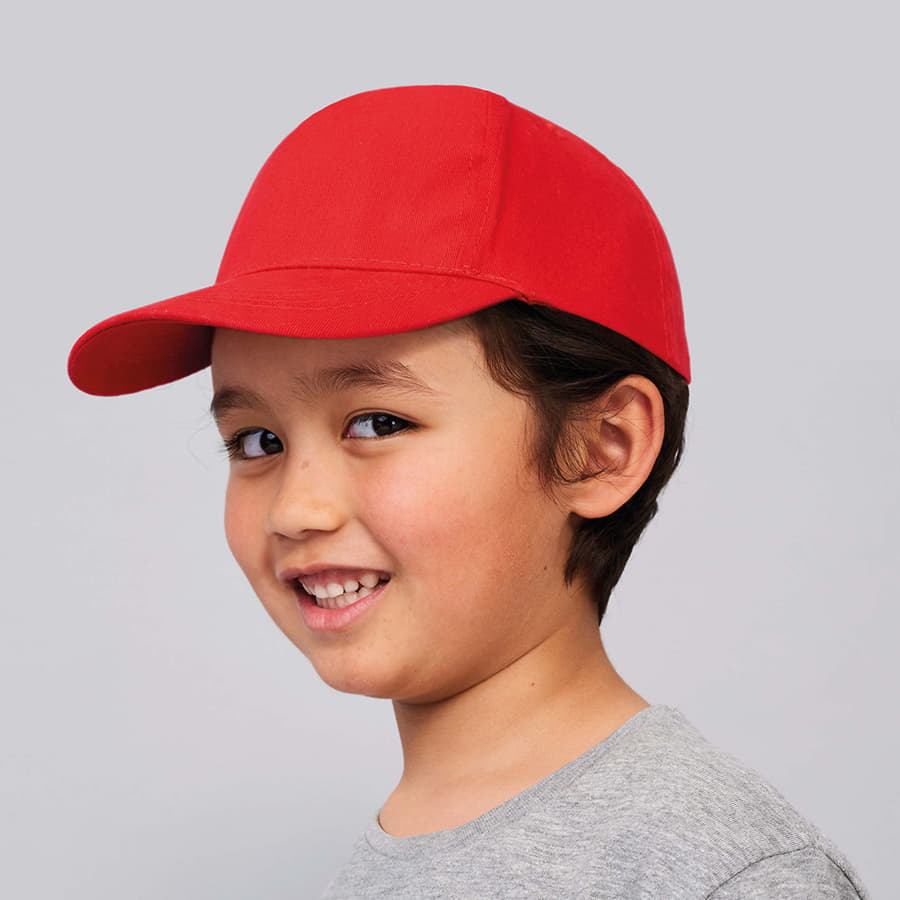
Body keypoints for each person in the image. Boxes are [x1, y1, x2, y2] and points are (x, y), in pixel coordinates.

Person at [68, 85, 869, 898]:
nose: (296, 510)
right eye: (258, 442)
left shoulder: (721, 873)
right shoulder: (411, 848)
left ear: (603, 448)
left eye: (377, 423)